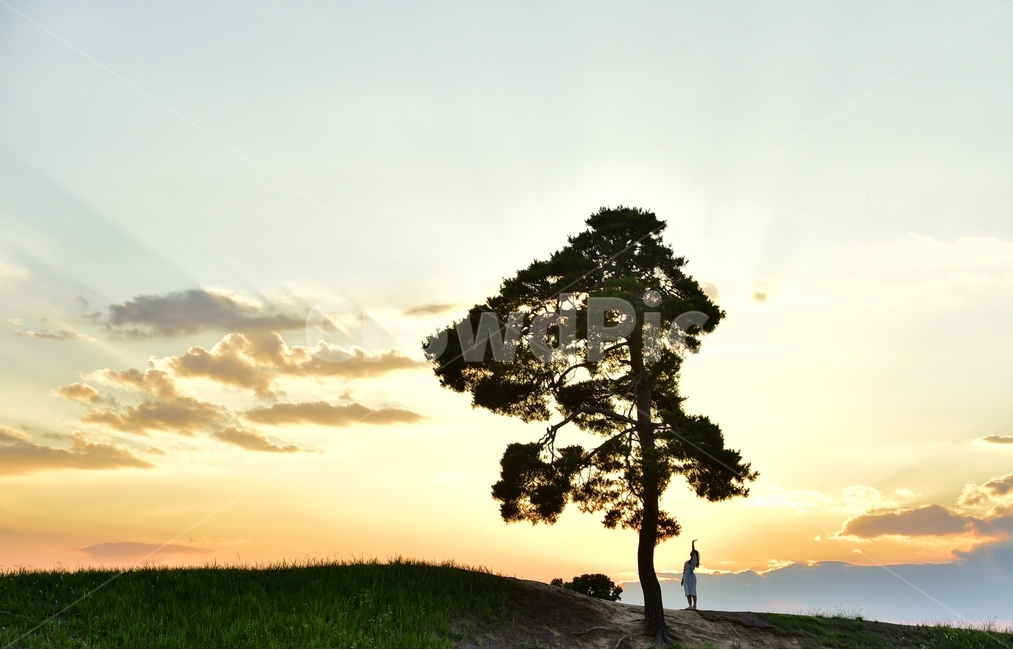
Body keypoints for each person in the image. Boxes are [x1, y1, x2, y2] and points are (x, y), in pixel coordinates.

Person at [680, 539, 700, 610]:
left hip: (691, 576)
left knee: (692, 590)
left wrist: (692, 543)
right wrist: (682, 579)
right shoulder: (686, 562)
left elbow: (693, 551)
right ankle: (690, 605)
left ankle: (694, 605)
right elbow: (684, 570)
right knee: (687, 590)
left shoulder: (694, 561)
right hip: (686, 576)